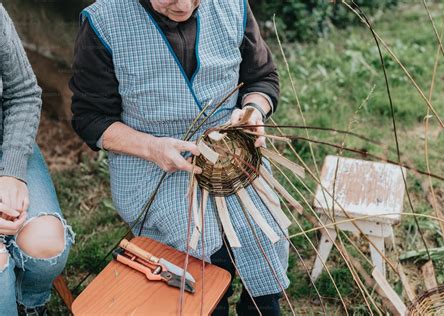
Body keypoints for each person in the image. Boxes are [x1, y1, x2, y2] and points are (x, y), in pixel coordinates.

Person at [70, 0, 288, 314]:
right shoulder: (104, 21)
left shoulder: (231, 5)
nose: (184, 4)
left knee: (266, 230)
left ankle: (262, 304)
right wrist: (150, 147)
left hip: (230, 152)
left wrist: (254, 110)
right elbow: (90, 118)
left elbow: (262, 78)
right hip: (151, 160)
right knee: (198, 244)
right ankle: (210, 305)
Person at [0, 5, 74, 316]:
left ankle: (30, 302)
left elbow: (23, 92)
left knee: (46, 246)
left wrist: (12, 172)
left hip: (6, 145)